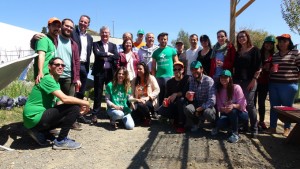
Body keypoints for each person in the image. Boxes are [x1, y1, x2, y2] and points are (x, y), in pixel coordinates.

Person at [23, 57, 90, 150]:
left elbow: (59, 103)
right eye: (57, 65)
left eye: (62, 65)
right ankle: (61, 141)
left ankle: (39, 132)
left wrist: (75, 112)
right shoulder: (47, 79)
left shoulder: (56, 83)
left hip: (35, 118)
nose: (60, 67)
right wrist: (84, 103)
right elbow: (65, 98)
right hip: (34, 116)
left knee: (72, 111)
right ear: (49, 67)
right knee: (74, 107)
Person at [266, 34, 300, 136]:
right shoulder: (276, 55)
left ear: (289, 42)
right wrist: (271, 70)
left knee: (287, 108)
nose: (281, 43)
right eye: (280, 42)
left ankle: (287, 128)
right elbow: (272, 69)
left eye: (284, 41)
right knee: (274, 107)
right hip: (274, 84)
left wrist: (296, 78)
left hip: (289, 85)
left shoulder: (295, 53)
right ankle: (272, 127)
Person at [233, 30, 261, 138]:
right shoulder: (238, 52)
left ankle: (254, 127)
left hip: (250, 81)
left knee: (249, 104)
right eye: (239, 37)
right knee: (240, 104)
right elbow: (235, 68)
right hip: (238, 81)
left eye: (243, 36)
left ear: (247, 37)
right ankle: (244, 125)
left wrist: (254, 80)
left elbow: (259, 68)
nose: (241, 38)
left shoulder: (255, 50)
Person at [211, 70, 248, 143]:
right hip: (226, 114)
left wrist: (233, 105)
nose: (223, 79)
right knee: (220, 123)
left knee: (233, 111)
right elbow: (219, 107)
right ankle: (230, 129)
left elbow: (243, 104)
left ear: (230, 78)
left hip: (240, 114)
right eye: (222, 77)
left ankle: (235, 133)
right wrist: (223, 109)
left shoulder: (236, 87)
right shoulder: (219, 90)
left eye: (226, 77)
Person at [91, 26, 119, 124]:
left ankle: (110, 113)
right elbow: (97, 54)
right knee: (97, 94)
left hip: (110, 73)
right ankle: (95, 114)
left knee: (110, 93)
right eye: (103, 32)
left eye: (106, 32)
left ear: (109, 34)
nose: (104, 34)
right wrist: (108, 54)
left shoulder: (113, 45)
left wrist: (103, 55)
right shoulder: (96, 44)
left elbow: (116, 56)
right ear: (100, 34)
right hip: (99, 72)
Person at [184, 61, 216, 131]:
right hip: (197, 104)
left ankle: (214, 126)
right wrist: (188, 95)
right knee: (188, 108)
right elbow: (192, 97)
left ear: (201, 69)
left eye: (196, 69)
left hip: (207, 106)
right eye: (192, 69)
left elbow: (212, 101)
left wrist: (202, 107)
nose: (194, 71)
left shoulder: (209, 80)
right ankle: (196, 123)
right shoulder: (192, 79)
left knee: (208, 112)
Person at [158, 61, 189, 133]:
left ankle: (181, 124)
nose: (177, 71)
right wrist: (165, 101)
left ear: (183, 70)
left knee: (181, 100)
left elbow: (185, 92)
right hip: (174, 104)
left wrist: (176, 94)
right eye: (175, 69)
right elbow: (166, 96)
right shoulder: (169, 82)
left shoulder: (187, 79)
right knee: (161, 110)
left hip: (184, 103)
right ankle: (175, 119)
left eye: (179, 69)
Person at [152, 32, 178, 106]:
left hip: (170, 76)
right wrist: (154, 78)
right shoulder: (155, 52)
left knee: (169, 94)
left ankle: (168, 112)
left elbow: (177, 63)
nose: (163, 40)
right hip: (159, 77)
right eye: (161, 39)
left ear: (167, 40)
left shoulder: (172, 50)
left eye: (165, 39)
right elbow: (153, 67)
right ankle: (160, 111)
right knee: (160, 95)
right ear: (158, 40)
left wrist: (175, 75)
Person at [254, 36, 275, 130]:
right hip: (255, 80)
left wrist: (270, 69)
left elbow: (275, 67)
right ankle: (253, 121)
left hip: (265, 81)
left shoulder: (274, 55)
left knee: (261, 102)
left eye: (271, 44)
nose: (268, 45)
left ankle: (261, 121)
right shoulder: (258, 52)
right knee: (252, 102)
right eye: (267, 43)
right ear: (264, 43)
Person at [32, 17, 61, 84]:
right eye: (54, 25)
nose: (57, 28)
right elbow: (41, 55)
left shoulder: (52, 41)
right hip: (43, 76)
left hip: (49, 75)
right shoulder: (43, 39)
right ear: (49, 26)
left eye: (59, 26)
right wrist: (40, 72)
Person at [57, 18, 81, 97]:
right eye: (67, 26)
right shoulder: (54, 39)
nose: (69, 29)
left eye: (71, 27)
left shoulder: (74, 44)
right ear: (61, 26)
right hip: (54, 76)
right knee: (52, 102)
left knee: (69, 102)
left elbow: (77, 62)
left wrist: (77, 78)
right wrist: (35, 37)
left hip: (68, 78)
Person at [72, 15, 93, 100]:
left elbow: (89, 52)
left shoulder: (89, 38)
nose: (83, 23)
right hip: (73, 64)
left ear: (88, 25)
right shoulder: (72, 33)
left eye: (85, 22)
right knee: (72, 87)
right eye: (81, 21)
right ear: (78, 22)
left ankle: (78, 108)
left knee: (82, 89)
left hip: (84, 66)